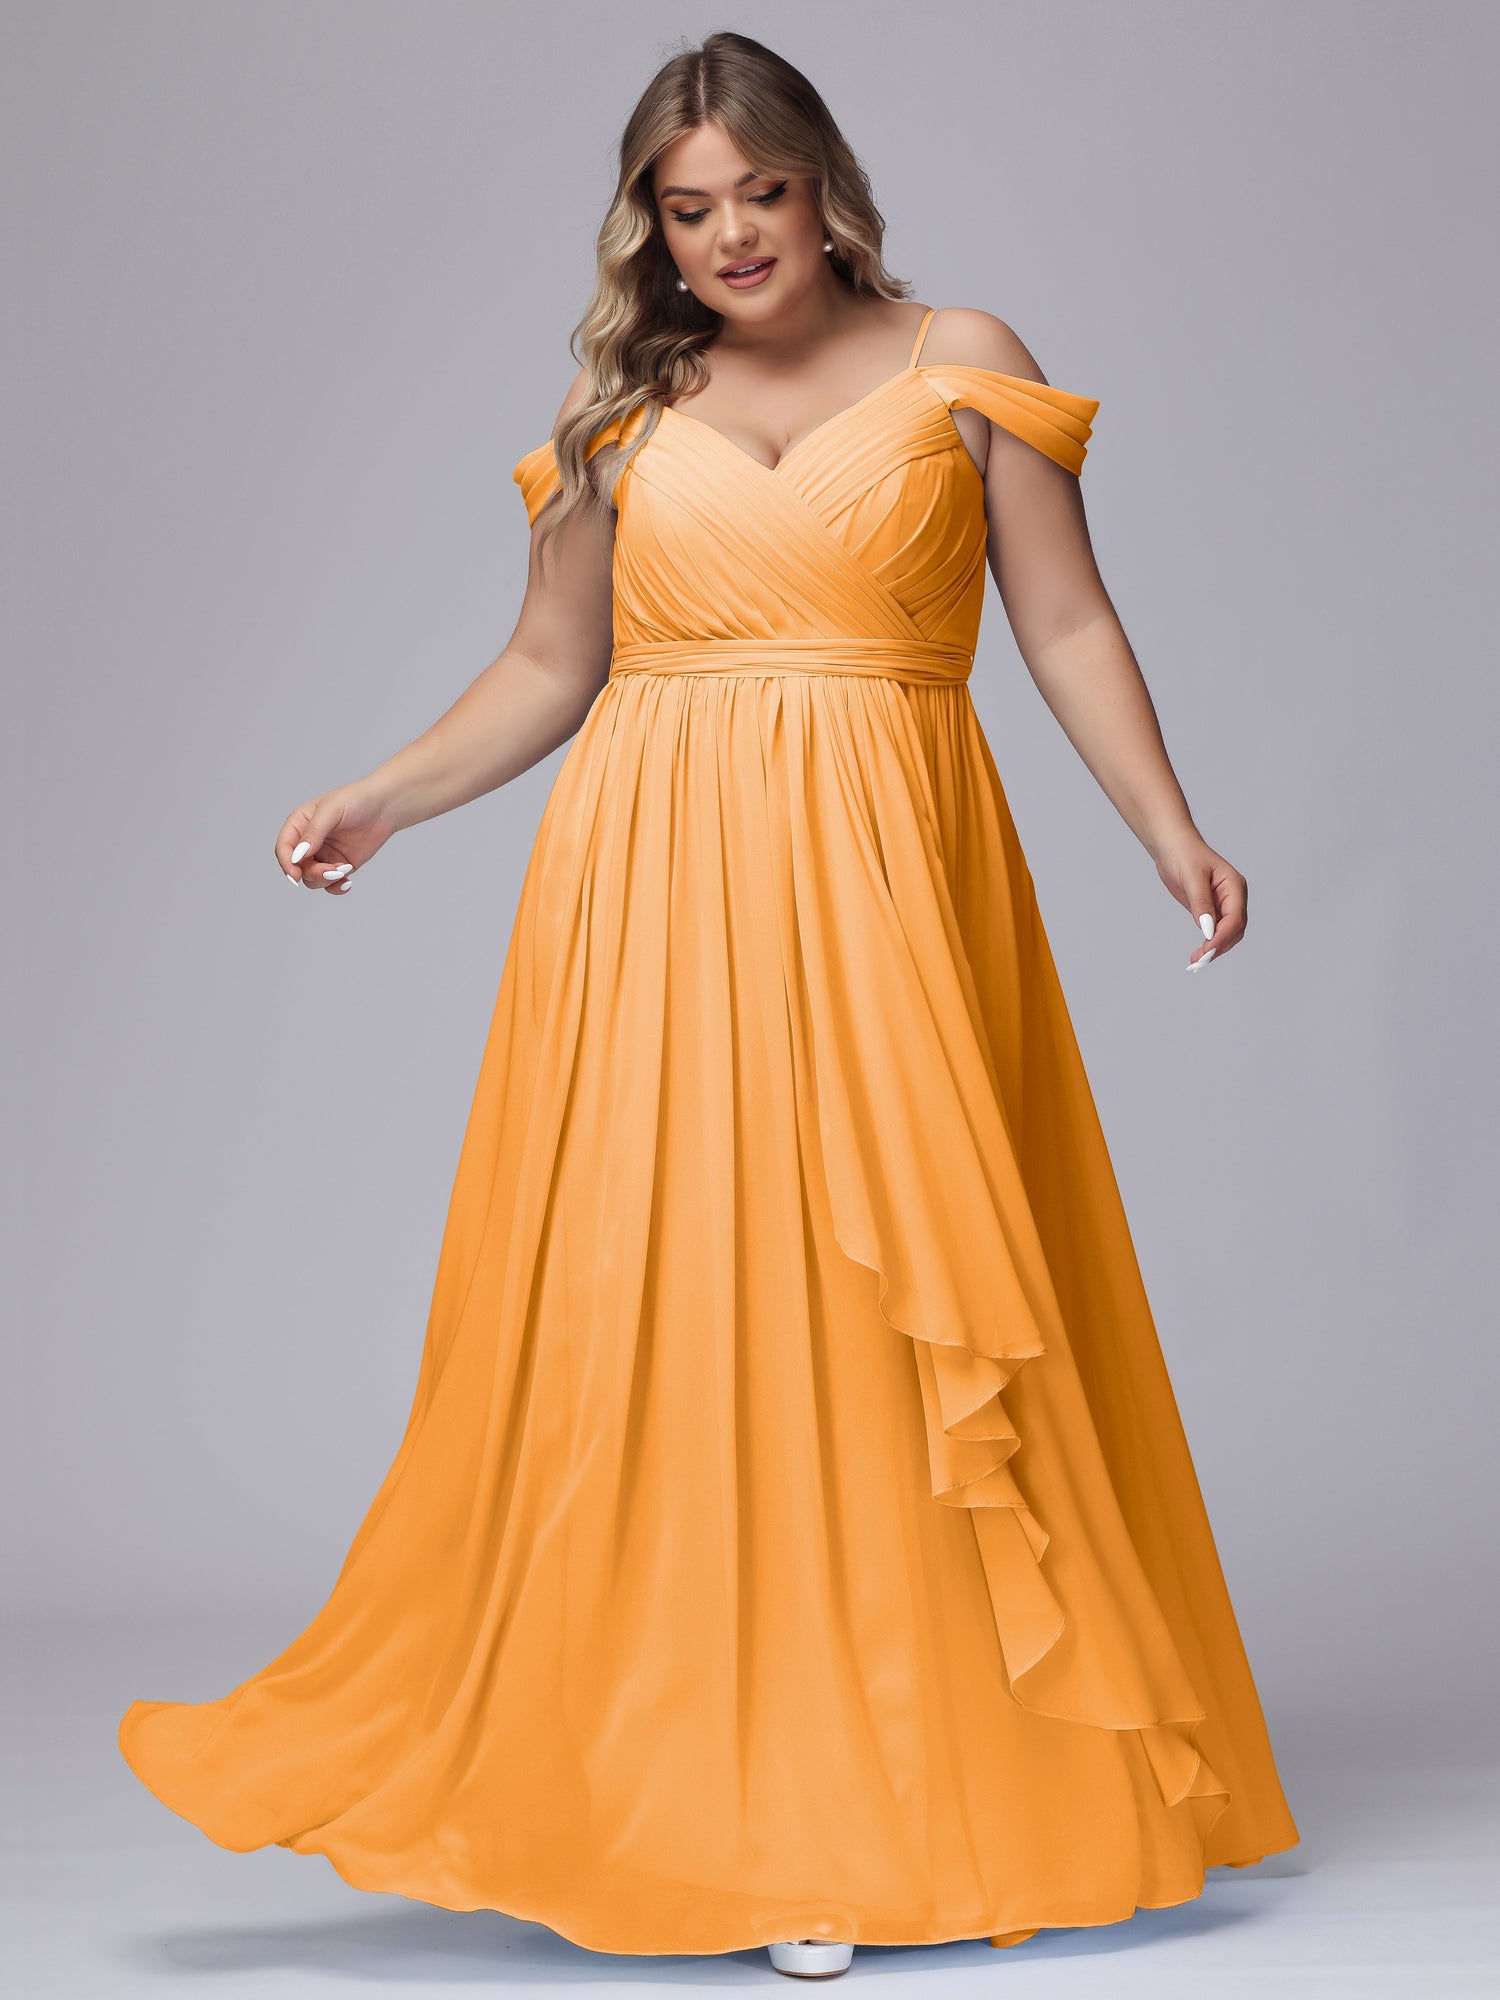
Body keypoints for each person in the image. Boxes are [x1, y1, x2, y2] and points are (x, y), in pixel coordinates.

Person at [119, 29, 1299, 1982]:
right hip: (651, 896)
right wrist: (383, 794)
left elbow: (1064, 616)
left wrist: (1168, 826)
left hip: (889, 886)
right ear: (648, 230)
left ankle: (883, 1800)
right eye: (690, 208)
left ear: (826, 190)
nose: (735, 234)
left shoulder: (959, 361)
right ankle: (716, 1802)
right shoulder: (621, 413)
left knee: (878, 1306)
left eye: (764, 191)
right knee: (689, 1310)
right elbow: (547, 662)